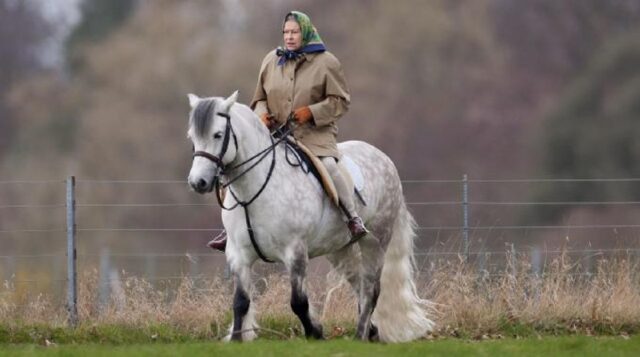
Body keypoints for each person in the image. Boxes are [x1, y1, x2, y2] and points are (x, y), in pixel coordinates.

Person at [208, 10, 367, 252]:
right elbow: (259, 98)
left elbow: (340, 102)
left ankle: (352, 218)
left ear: (305, 32)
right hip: (274, 135)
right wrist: (261, 114)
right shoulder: (271, 60)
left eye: (294, 32)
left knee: (329, 166)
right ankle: (231, 228)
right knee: (237, 167)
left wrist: (311, 112)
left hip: (314, 135)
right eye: (286, 32)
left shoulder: (327, 63)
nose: (289, 37)